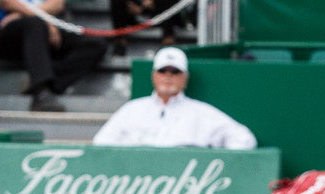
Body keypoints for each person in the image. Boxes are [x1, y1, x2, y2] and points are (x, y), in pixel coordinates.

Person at [91, 46, 258, 148]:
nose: (168, 76)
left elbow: (244, 140)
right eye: (163, 71)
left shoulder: (201, 112)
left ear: (185, 77)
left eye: (175, 71)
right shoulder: (132, 109)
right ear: (153, 75)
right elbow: (101, 143)